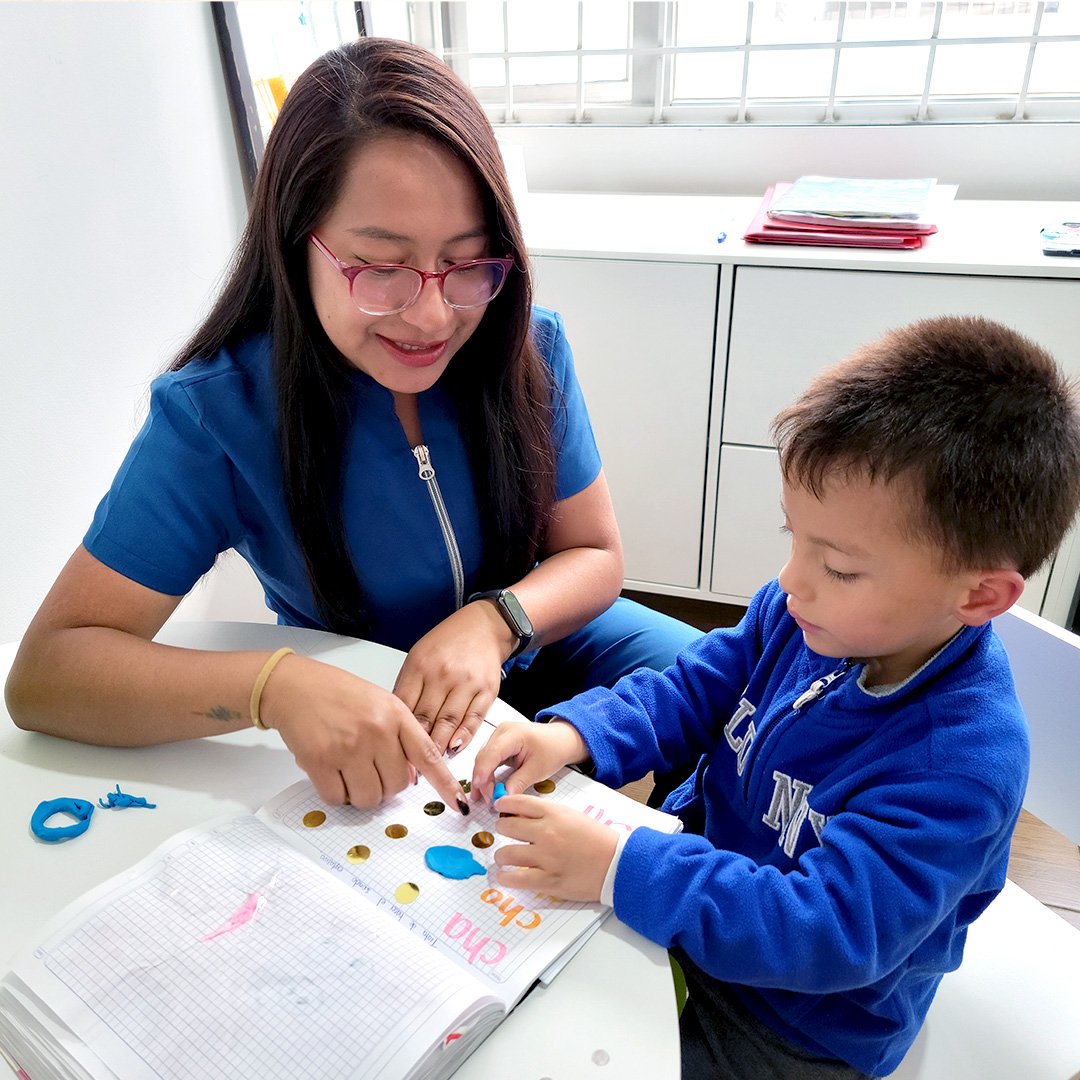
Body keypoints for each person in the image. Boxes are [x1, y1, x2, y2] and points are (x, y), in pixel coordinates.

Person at [4, 37, 699, 813]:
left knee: (743, 710)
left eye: (468, 263)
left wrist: (497, 621)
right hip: (369, 692)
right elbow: (48, 676)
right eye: (382, 268)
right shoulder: (216, 416)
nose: (433, 314)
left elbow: (595, 552)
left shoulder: (525, 344)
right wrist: (273, 685)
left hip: (541, 644)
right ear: (298, 243)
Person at [470, 314, 1080, 1079]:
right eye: (793, 537)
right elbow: (697, 685)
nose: (790, 581)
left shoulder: (956, 766)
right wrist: (580, 736)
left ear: (981, 595)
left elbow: (827, 935)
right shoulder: (806, 616)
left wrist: (624, 869)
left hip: (798, 1022)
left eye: (840, 566)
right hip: (692, 889)